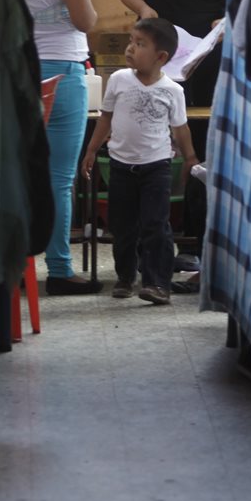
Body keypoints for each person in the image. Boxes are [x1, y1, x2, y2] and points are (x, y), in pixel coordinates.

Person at [115, 0, 227, 279]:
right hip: (159, 51)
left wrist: (225, 18)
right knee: (152, 139)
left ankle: (199, 241)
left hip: (210, 52)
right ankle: (153, 246)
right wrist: (144, 11)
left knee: (202, 140)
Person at [80, 18, 199, 305]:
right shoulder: (119, 79)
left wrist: (190, 158)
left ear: (161, 57)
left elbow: (180, 128)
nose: (130, 48)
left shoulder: (173, 90)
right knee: (122, 226)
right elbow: (105, 117)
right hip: (121, 166)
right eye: (131, 41)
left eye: (140, 44)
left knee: (156, 225)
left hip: (156, 168)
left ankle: (157, 284)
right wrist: (92, 150)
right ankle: (125, 277)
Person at [21, 0, 103, 295]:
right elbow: (86, 20)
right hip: (62, 71)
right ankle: (59, 269)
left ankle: (14, 268)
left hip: (18, 71)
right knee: (58, 177)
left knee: (17, 172)